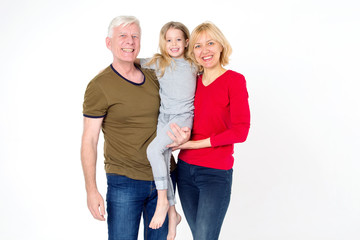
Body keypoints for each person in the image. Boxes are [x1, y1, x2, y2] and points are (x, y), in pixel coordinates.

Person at [80, 16, 189, 240]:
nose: (129, 41)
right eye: (123, 36)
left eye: (134, 36)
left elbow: (180, 103)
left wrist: (184, 136)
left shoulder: (154, 74)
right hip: (124, 182)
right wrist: (91, 190)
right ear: (109, 43)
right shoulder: (99, 86)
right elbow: (89, 140)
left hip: (165, 176)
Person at [167, 22, 251, 240]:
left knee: (204, 237)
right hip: (185, 171)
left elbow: (240, 131)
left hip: (214, 173)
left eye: (210, 43)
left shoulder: (234, 80)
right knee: (200, 236)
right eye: (197, 46)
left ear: (221, 46)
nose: (205, 51)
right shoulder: (191, 81)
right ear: (191, 51)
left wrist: (193, 144)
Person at [137, 21, 197, 240]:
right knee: (161, 157)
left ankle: (163, 201)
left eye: (178, 39)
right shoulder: (159, 62)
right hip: (164, 117)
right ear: (163, 42)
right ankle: (173, 214)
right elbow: (132, 61)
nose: (174, 44)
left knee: (153, 151)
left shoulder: (193, 63)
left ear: (187, 41)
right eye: (169, 40)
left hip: (182, 119)